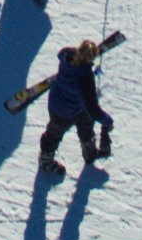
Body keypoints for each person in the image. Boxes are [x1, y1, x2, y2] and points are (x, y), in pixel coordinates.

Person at [37, 38, 113, 177]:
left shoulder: (66, 57)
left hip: (59, 101)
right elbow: (93, 109)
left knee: (85, 123)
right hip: (64, 110)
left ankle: (89, 152)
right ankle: (45, 161)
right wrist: (107, 121)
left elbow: (61, 52)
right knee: (55, 133)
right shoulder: (85, 79)